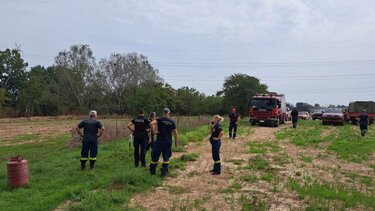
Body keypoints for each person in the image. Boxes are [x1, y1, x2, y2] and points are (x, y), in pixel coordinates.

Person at [149, 108, 179, 177]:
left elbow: (151, 123)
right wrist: (176, 142)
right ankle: (164, 172)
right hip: (168, 142)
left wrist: (154, 132)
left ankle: (152, 171)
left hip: (159, 141)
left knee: (155, 155)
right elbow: (175, 133)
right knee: (166, 157)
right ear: (169, 113)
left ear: (163, 112)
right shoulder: (172, 122)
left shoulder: (159, 119)